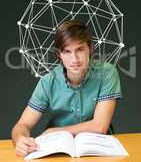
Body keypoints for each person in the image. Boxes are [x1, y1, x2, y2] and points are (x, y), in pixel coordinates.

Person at [11, 19, 122, 157]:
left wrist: (55, 131)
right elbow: (22, 125)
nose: (74, 59)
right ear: (59, 54)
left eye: (80, 49)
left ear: (90, 48)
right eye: (67, 52)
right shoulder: (48, 82)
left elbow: (100, 126)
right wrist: (20, 139)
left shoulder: (107, 73)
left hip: (99, 151)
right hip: (58, 151)